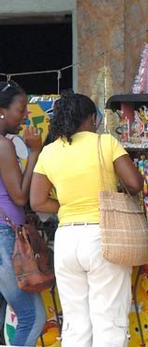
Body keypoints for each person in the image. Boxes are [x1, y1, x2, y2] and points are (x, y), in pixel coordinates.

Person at [30, 93, 143, 347]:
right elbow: (135, 183)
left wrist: (68, 206)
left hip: (67, 239)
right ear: (91, 118)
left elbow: (37, 202)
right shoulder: (105, 143)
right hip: (103, 236)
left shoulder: (49, 152)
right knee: (109, 320)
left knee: (74, 323)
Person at [0, 80, 46, 346]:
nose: (26, 115)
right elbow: (19, 196)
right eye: (21, 109)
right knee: (32, 316)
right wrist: (34, 152)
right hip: (6, 237)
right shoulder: (4, 146)